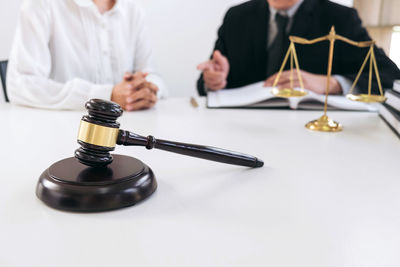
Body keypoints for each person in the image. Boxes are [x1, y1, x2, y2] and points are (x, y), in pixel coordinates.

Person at [197, 0, 400, 96]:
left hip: (312, 138)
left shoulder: (340, 18)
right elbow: (204, 83)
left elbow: (390, 75)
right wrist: (213, 80)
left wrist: (332, 83)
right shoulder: (237, 17)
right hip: (242, 130)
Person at [7, 0, 167, 110]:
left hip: (126, 132)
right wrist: (108, 95)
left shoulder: (133, 9)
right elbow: (21, 85)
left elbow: (152, 75)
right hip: (58, 134)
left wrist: (146, 92)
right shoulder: (42, 4)